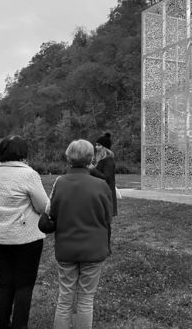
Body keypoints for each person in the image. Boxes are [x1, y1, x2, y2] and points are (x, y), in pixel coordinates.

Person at [0, 135, 48, 329]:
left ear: (1, 152)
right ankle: (20, 325)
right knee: (24, 285)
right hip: (26, 237)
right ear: (23, 153)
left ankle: (2, 324)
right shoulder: (29, 174)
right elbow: (42, 206)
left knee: (6, 282)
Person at [51, 139, 112, 329]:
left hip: (66, 247)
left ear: (68, 157)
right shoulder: (101, 185)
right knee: (86, 299)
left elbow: (53, 214)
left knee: (65, 298)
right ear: (91, 159)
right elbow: (107, 219)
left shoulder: (60, 183)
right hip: (93, 248)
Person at [90, 132, 117, 216]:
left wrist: (93, 169)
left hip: (106, 194)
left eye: (99, 145)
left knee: (105, 221)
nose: (96, 147)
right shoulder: (100, 160)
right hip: (100, 192)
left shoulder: (108, 160)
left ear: (105, 147)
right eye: (96, 145)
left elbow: (106, 178)